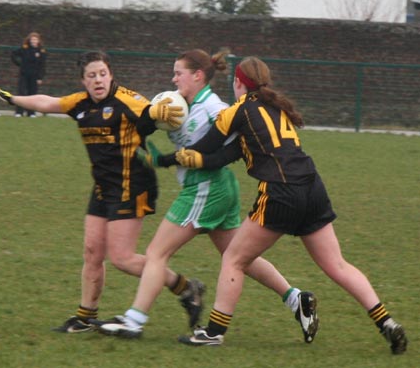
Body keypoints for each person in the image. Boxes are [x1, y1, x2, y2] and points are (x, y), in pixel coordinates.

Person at [174, 56, 407, 354]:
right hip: (313, 187)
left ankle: (214, 332)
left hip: (281, 192)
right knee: (337, 265)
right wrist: (192, 158)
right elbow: (226, 154)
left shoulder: (237, 110)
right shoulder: (276, 107)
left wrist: (166, 133)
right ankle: (385, 321)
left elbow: (206, 147)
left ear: (238, 83)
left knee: (233, 258)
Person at [96, 49, 319, 343]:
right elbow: (141, 127)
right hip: (216, 189)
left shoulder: (214, 107)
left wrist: (169, 160)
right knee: (239, 257)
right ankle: (295, 299)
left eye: (178, 73)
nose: (173, 78)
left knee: (156, 254)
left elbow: (234, 147)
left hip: (207, 187)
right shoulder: (174, 100)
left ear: (197, 76)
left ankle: (134, 321)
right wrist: (152, 114)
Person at [0, 50, 204, 333]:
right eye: (92, 76)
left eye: (103, 73)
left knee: (122, 259)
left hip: (133, 183)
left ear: (111, 75)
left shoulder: (128, 99)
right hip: (103, 185)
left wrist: (160, 113)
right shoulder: (79, 103)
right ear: (83, 81)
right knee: (92, 251)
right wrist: (13, 99)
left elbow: (152, 111)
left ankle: (187, 288)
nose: (98, 80)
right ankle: (85, 317)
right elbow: (48, 102)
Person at [11, 32, 47, 117]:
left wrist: (40, 77)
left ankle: (31, 113)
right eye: (32, 39)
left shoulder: (41, 51)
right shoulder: (25, 48)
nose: (34, 41)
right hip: (24, 74)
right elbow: (14, 54)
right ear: (29, 40)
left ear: (38, 41)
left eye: (35, 39)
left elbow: (42, 65)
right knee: (21, 92)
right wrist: (19, 63)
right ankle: (19, 112)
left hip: (34, 76)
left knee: (33, 94)